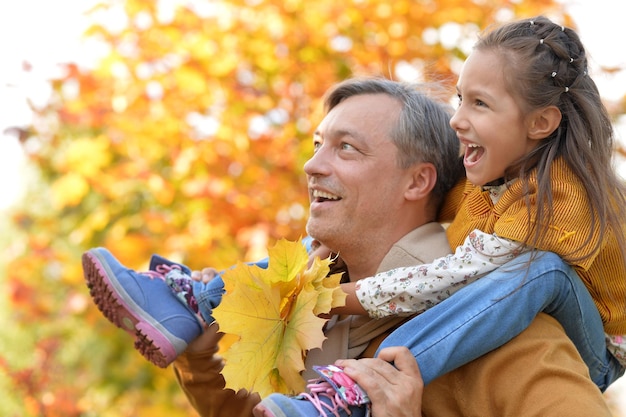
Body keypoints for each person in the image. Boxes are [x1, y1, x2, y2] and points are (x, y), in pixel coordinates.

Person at [254, 15, 626, 417]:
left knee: (542, 270)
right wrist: (297, 280)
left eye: (480, 103)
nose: (457, 120)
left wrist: (328, 297)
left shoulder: (556, 201)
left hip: (600, 347)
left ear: (540, 123)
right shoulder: (485, 182)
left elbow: (451, 279)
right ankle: (200, 297)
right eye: (460, 100)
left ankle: (361, 386)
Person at [83, 77, 470, 415]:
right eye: (318, 144)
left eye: (347, 147)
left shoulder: (483, 330)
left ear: (417, 182)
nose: (312, 165)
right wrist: (200, 357)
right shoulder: (310, 311)